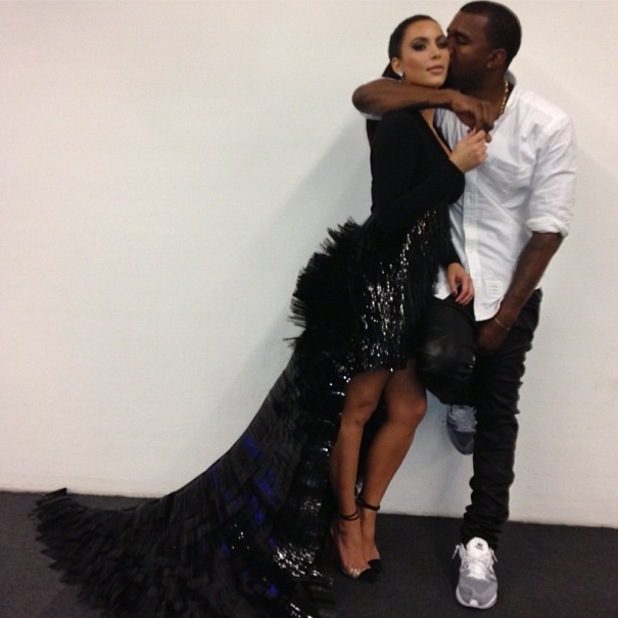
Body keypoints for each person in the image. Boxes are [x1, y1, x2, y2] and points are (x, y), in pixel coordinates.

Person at [33, 15, 485, 618]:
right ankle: (348, 528)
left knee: (408, 406)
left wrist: (453, 259)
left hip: (411, 287)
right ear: (397, 63)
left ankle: (364, 513)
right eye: (419, 45)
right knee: (355, 410)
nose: (435, 53)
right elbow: (390, 217)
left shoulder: (431, 126)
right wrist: (455, 169)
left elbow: (426, 218)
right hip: (380, 285)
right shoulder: (401, 124)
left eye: (440, 45)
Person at [352, 1, 576, 610]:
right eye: (439, 40)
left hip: (509, 286)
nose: (445, 48)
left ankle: (480, 540)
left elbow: (549, 228)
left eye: (458, 40)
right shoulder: (435, 99)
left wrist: (505, 317)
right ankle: (462, 400)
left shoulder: (546, 123)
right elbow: (367, 96)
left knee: (500, 413)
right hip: (445, 280)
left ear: (495, 57)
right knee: (442, 365)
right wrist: (450, 101)